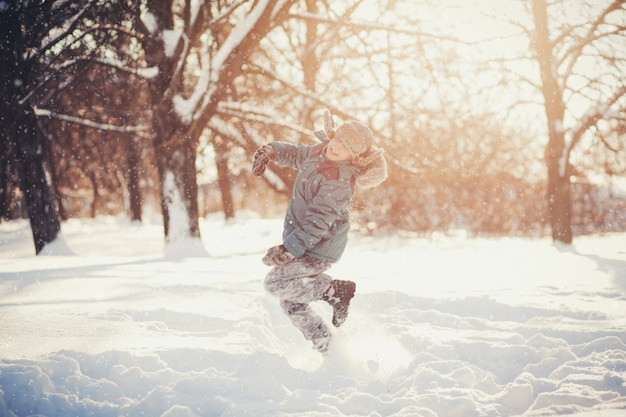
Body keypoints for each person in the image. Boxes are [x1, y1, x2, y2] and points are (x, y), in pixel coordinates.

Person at [252, 109, 387, 354]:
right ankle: (328, 347)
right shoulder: (318, 152)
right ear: (333, 135)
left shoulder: (339, 180)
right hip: (304, 241)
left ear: (354, 157)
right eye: (338, 140)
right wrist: (272, 151)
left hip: (319, 246)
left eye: (345, 148)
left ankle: (334, 291)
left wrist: (288, 250)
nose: (336, 148)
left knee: (274, 282)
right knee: (292, 304)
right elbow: (294, 153)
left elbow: (318, 222)